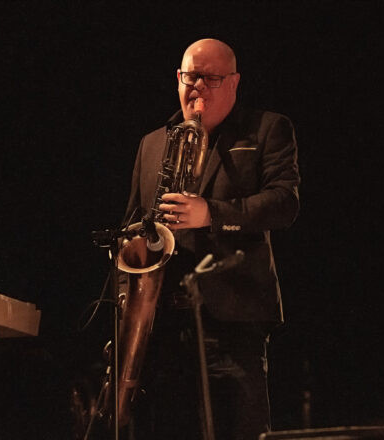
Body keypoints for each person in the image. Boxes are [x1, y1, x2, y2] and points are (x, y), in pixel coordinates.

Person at [120, 38, 300, 440]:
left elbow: (284, 204)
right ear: (177, 79)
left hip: (233, 318)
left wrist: (210, 213)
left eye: (211, 78)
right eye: (190, 76)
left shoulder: (268, 128)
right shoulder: (151, 143)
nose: (197, 86)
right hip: (163, 321)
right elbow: (134, 221)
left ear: (234, 82)